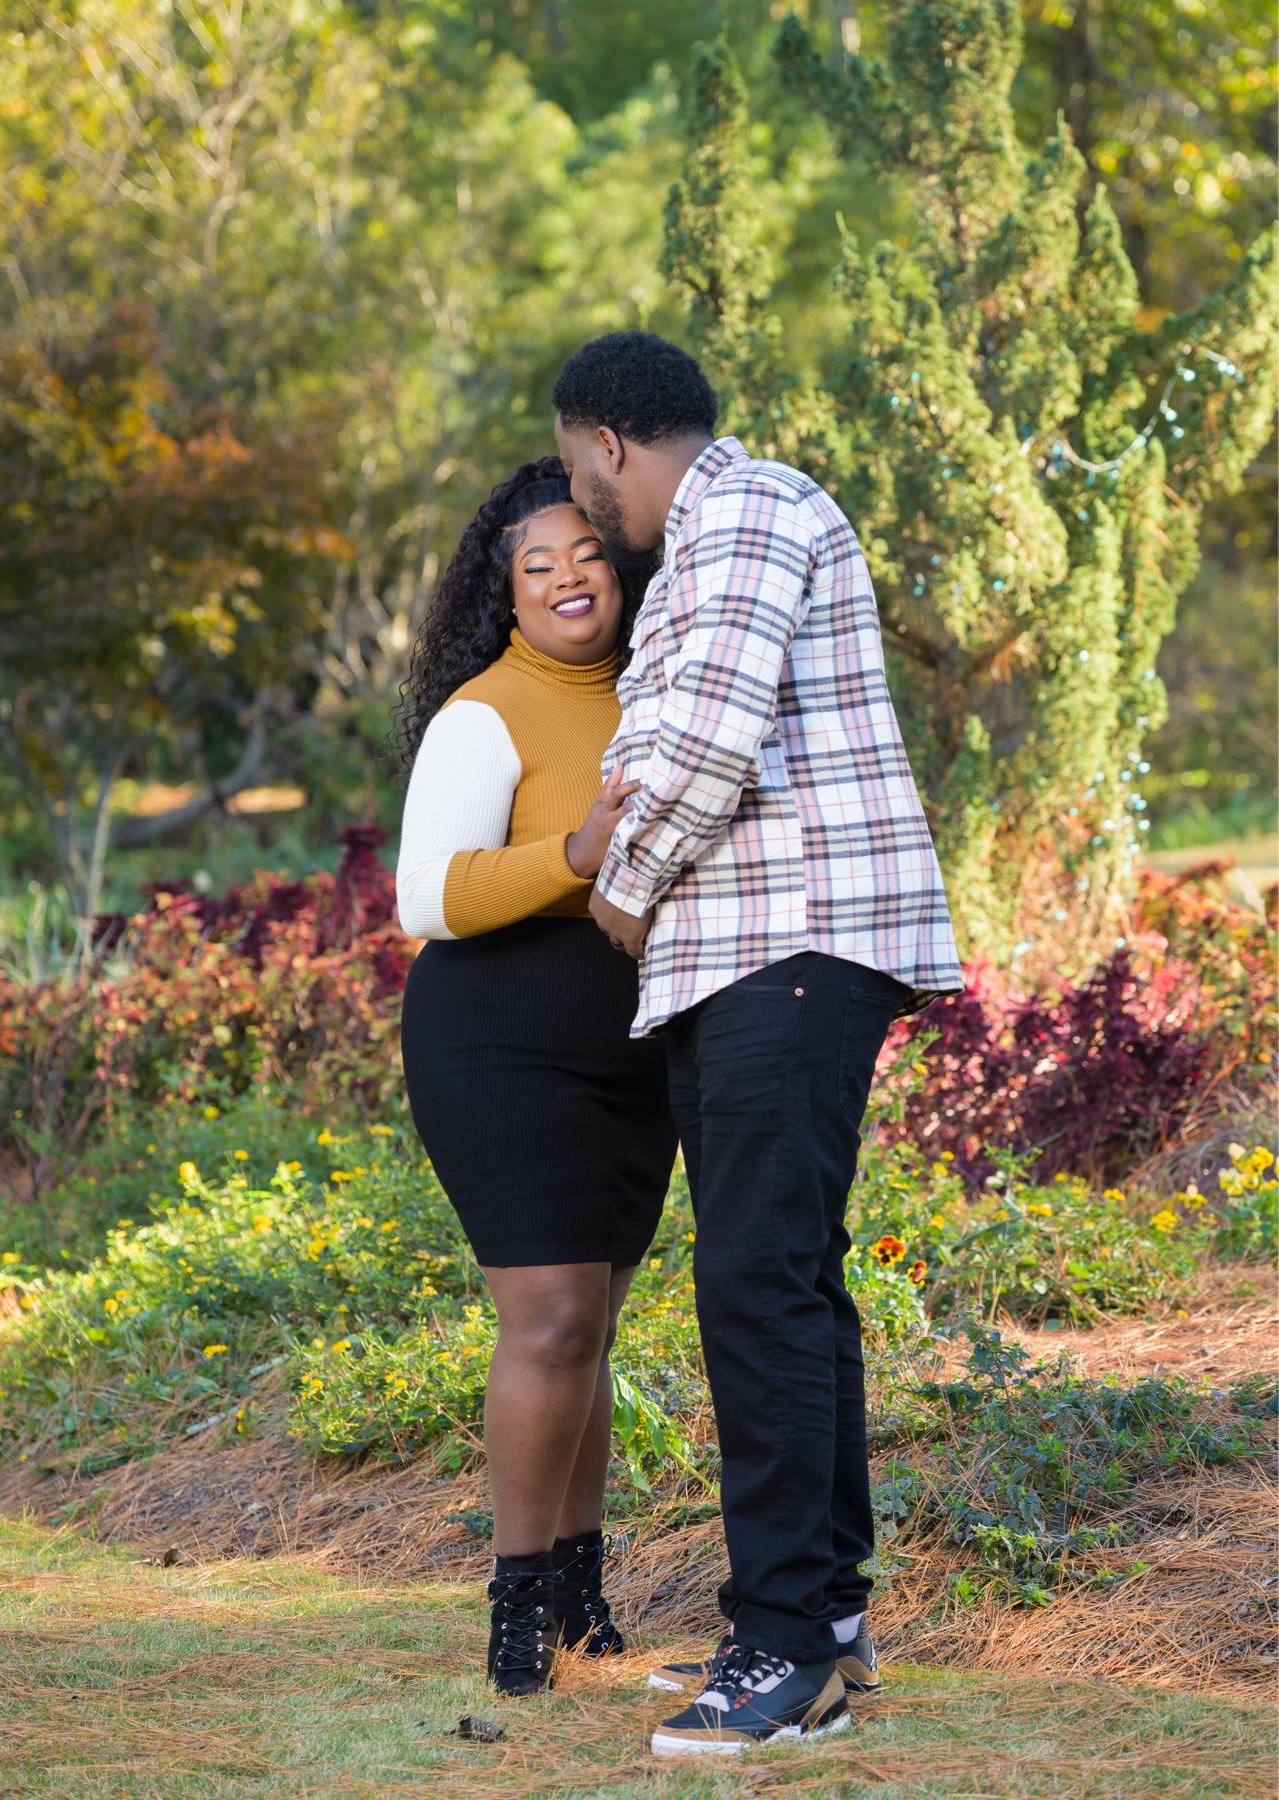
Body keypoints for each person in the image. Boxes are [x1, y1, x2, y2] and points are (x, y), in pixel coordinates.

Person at [552, 332, 964, 1757]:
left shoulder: (743, 510)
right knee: (786, 1281)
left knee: (754, 1286)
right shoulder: (722, 530)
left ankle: (781, 1649)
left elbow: (711, 736)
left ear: (608, 444)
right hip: (745, 952)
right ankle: (825, 1622)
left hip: (784, 942)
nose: (581, 499)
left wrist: (621, 883)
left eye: (575, 469)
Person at [392, 457, 678, 1697]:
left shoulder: (663, 689)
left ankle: (578, 1591)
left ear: (623, 570)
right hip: (499, 1040)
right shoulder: (484, 713)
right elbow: (425, 897)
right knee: (552, 1317)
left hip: (637, 1045)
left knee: (590, 1326)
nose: (568, 579)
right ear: (504, 593)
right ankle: (515, 1604)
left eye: (587, 555)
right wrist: (574, 849)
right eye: (537, 564)